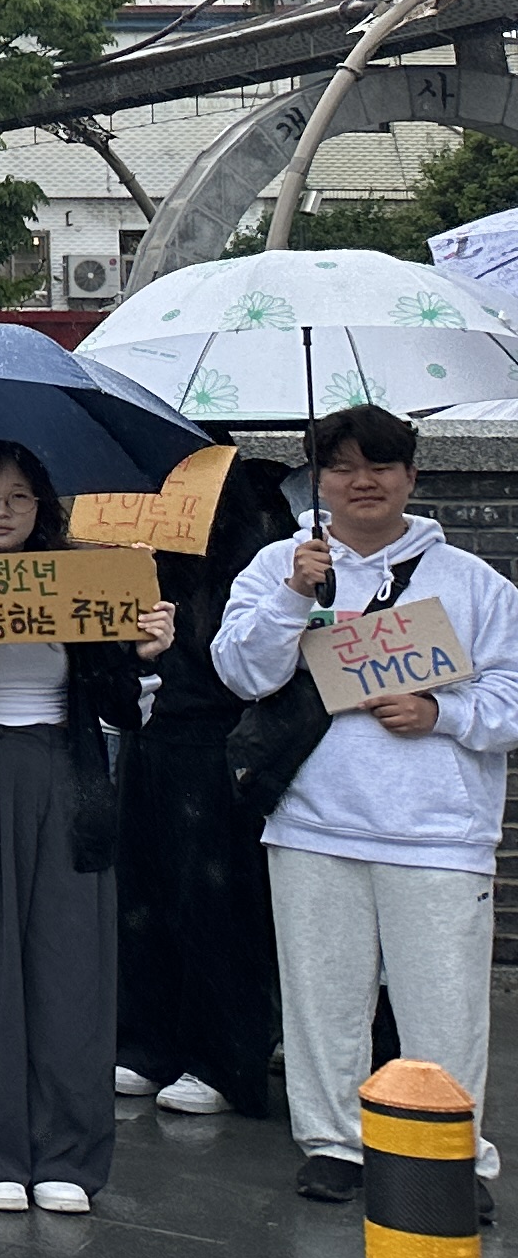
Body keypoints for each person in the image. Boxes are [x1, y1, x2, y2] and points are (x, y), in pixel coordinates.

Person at [210, 404, 518, 1204]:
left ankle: (452, 1155)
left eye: (379, 465)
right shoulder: (280, 565)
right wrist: (292, 595)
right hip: (313, 823)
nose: (362, 481)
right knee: (322, 998)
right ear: (318, 481)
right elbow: (241, 673)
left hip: (439, 833)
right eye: (342, 467)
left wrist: (439, 713)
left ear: (411, 476)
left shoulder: (474, 584)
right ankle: (332, 1142)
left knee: (445, 1005)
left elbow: (511, 696)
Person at [0, 442, 172, 1215]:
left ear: (41, 508)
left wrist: (143, 655)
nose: (1, 510)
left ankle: (69, 1154)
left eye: (19, 496)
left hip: (67, 778)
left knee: (72, 967)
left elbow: (121, 708)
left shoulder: (84, 585)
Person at [114, 459, 299, 1120]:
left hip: (215, 739)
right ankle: (147, 1043)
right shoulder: (135, 540)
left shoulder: (251, 544)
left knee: (214, 904)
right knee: (142, 894)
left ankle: (222, 1058)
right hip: (148, 734)